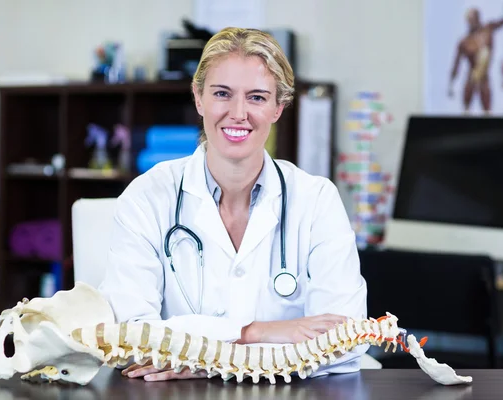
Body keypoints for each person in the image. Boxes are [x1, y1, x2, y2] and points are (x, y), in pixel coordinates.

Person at [98, 27, 368, 382]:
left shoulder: (316, 200)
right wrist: (254, 332)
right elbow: (129, 336)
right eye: (222, 94)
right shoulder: (148, 197)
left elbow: (345, 341)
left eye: (257, 97)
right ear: (198, 98)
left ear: (278, 108)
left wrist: (198, 358)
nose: (238, 113)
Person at [448, 5, 503, 113]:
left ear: (478, 18)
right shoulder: (465, 42)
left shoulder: (488, 29)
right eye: (469, 20)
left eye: (473, 19)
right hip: (471, 76)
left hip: (484, 77)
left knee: (487, 109)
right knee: (466, 108)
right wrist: (451, 83)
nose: (471, 22)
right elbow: (456, 64)